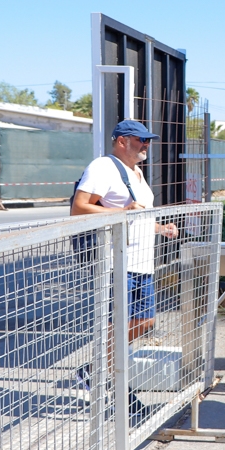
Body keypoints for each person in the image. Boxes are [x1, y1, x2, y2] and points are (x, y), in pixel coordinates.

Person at [71, 120, 178, 420]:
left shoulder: (137, 173)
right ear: (120, 141)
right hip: (118, 263)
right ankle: (119, 391)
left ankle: (94, 369)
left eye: (147, 140)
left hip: (142, 263)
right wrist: (122, 212)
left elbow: (137, 216)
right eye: (139, 140)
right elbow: (79, 207)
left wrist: (160, 228)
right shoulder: (103, 167)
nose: (146, 145)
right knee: (119, 325)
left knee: (144, 322)